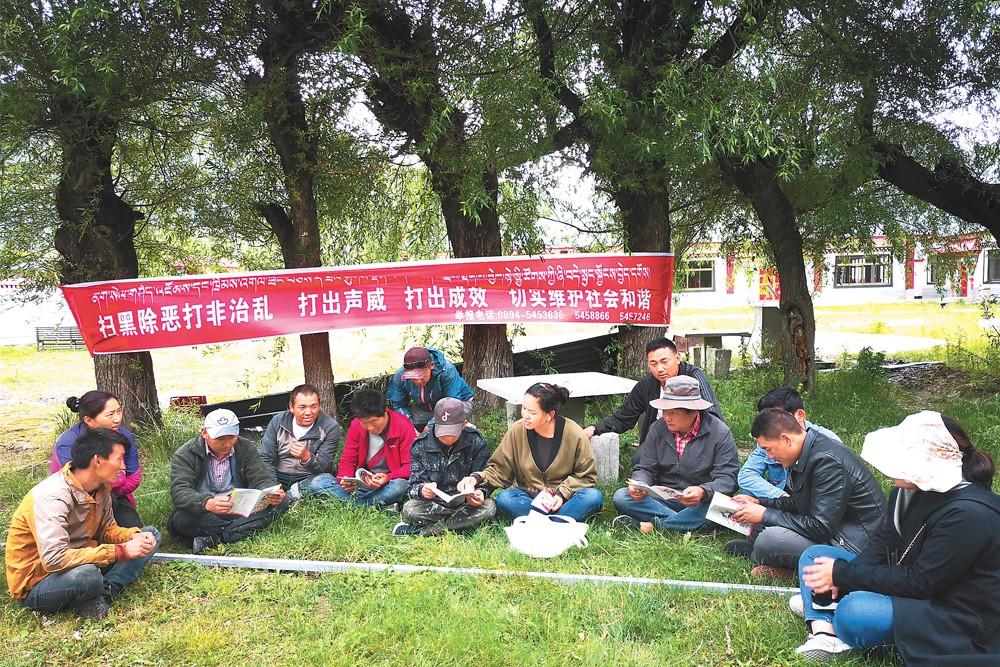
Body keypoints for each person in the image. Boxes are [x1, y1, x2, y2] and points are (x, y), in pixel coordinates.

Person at [792, 411, 1000, 664]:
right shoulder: (906, 493)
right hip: (908, 586)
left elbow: (922, 583)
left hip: (954, 613)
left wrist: (843, 576)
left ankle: (826, 612)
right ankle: (825, 631)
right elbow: (882, 543)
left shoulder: (969, 513)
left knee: (856, 611)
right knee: (816, 557)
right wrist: (845, 575)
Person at [7, 428, 160, 619]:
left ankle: (103, 593)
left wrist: (132, 537)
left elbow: (107, 530)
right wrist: (119, 552)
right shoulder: (52, 496)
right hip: (41, 580)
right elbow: (54, 559)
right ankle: (94, 591)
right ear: (98, 460)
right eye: (119, 459)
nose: (123, 467)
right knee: (88, 575)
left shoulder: (100, 488)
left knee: (150, 535)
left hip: (83, 558)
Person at [729, 408, 886, 581]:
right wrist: (760, 503)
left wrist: (765, 514)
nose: (770, 457)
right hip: (834, 533)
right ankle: (771, 557)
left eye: (769, 449)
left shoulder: (827, 463)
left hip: (854, 549)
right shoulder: (809, 451)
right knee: (759, 525)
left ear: (786, 439)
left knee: (769, 539)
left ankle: (795, 572)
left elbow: (821, 527)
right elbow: (799, 503)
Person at [457, 382, 603, 522]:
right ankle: (559, 521)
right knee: (505, 498)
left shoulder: (574, 433)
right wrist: (476, 479)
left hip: (565, 500)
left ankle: (540, 522)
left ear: (549, 415)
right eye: (524, 408)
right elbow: (500, 470)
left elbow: (586, 476)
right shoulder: (517, 431)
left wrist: (561, 494)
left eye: (532, 412)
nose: (525, 415)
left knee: (593, 497)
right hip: (530, 498)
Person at [611, 375, 738, 533]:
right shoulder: (657, 428)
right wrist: (639, 483)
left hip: (700, 502)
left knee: (722, 508)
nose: (667, 417)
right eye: (664, 411)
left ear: (694, 411)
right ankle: (687, 524)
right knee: (622, 496)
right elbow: (645, 467)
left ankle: (651, 527)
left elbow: (728, 478)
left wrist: (703, 491)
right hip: (664, 499)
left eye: (674, 412)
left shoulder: (719, 432)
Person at [168, 409, 289, 554]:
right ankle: (237, 530)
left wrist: (271, 492)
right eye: (220, 438)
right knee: (181, 518)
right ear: (204, 433)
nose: (227, 444)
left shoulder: (245, 448)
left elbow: (261, 478)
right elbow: (180, 491)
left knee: (281, 503)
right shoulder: (185, 454)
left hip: (239, 507)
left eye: (232, 437)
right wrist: (206, 503)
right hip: (206, 511)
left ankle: (217, 537)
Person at [584, 337, 721, 445]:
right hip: (657, 440)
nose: (660, 369)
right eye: (653, 363)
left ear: (677, 358)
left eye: (664, 361)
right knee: (640, 460)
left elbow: (712, 415)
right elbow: (624, 417)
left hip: (691, 439)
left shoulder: (694, 377)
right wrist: (595, 428)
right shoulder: (647, 384)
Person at [394, 397, 496, 536]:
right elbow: (413, 485)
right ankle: (462, 525)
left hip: (466, 504)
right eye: (442, 432)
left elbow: (485, 476)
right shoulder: (420, 445)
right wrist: (423, 490)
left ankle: (422, 532)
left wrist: (480, 493)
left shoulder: (475, 441)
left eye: (452, 433)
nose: (447, 437)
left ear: (464, 425)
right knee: (410, 509)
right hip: (435, 504)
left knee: (489, 507)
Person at [51, 391, 143, 528]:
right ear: (89, 420)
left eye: (119, 411)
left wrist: (110, 487)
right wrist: (118, 479)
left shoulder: (123, 436)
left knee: (134, 530)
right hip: (76, 501)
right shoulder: (68, 444)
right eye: (110, 414)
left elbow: (134, 478)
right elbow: (78, 484)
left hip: (115, 494)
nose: (117, 419)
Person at [737, 386, 842, 501]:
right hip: (782, 499)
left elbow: (829, 498)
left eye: (779, 418)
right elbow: (747, 474)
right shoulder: (768, 439)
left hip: (810, 504)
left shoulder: (829, 443)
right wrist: (782, 498)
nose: (772, 425)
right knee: (746, 495)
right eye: (768, 420)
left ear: (800, 415)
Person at [329, 389, 414, 509]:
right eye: (364, 422)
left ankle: (358, 504)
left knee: (400, 486)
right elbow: (348, 460)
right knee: (319, 482)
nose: (370, 427)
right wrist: (345, 480)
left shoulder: (403, 426)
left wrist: (387, 478)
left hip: (389, 482)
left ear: (385, 411)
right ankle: (378, 503)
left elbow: (410, 467)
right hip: (364, 483)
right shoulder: (356, 425)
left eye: (374, 421)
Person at [259, 383, 341, 500]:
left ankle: (291, 495)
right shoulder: (278, 421)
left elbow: (324, 466)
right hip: (279, 474)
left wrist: (306, 457)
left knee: (322, 481)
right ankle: (286, 495)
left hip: (308, 478)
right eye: (302, 407)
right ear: (291, 407)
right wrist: (274, 486)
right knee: (252, 476)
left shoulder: (330, 427)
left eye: (313, 406)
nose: (308, 412)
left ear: (319, 406)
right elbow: (265, 457)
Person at [386, 346, 474, 431]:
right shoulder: (401, 376)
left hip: (459, 403)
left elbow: (452, 404)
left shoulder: (447, 371)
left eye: (421, 376)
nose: (418, 381)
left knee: (445, 426)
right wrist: (410, 428)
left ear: (431, 366)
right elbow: (399, 405)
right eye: (413, 378)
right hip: (427, 407)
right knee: (401, 425)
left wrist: (429, 427)